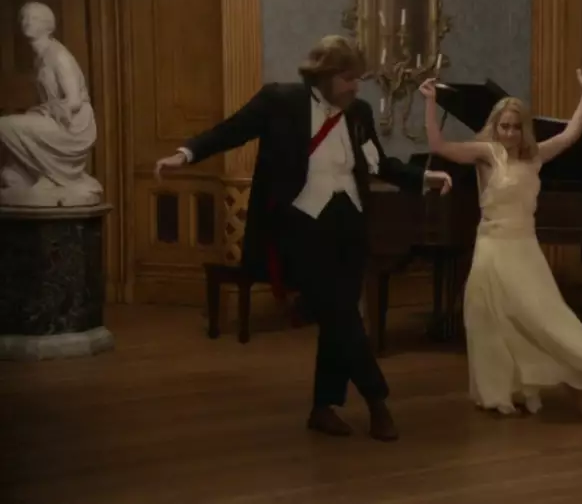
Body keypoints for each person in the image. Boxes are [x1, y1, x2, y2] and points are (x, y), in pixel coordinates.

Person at [154, 35, 453, 441]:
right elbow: (230, 131)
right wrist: (185, 154)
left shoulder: (359, 113)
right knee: (342, 314)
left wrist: (423, 177)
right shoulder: (280, 102)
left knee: (337, 317)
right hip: (302, 227)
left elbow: (378, 164)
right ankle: (377, 400)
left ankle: (322, 408)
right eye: (348, 78)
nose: (356, 87)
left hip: (350, 225)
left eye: (358, 79)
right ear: (324, 76)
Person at [418, 69, 582, 415]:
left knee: (542, 317)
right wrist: (430, 103)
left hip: (524, 248)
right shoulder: (486, 153)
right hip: (492, 245)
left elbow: (571, 134)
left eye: (516, 127)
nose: (510, 133)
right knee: (488, 318)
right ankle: (499, 392)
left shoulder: (535, 156)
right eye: (504, 126)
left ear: (523, 129)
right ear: (495, 127)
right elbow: (438, 146)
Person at [0, 1, 103, 207]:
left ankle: (51, 176)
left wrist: (42, 112)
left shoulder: (59, 56)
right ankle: (43, 175)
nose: (27, 22)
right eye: (24, 17)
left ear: (48, 26)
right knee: (10, 136)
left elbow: (74, 101)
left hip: (72, 125)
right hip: (54, 117)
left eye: (35, 18)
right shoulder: (40, 58)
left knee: (5, 125)